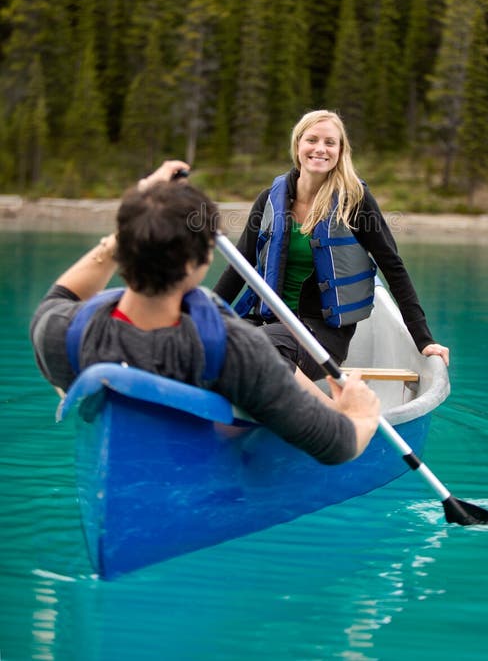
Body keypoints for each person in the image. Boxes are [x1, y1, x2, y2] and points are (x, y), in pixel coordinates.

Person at [30, 160, 381, 466]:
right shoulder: (238, 353)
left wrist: (136, 216)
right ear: (200, 263)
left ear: (123, 248)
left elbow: (61, 295)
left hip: (126, 470)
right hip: (190, 464)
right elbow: (338, 445)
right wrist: (359, 412)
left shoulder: (59, 332)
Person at [214, 110, 449, 380]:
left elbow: (393, 268)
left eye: (329, 142)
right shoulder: (269, 199)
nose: (320, 149)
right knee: (208, 343)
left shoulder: (355, 201)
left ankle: (321, 412)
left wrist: (423, 339)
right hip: (267, 323)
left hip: (319, 337)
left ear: (340, 150)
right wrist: (203, 314)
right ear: (298, 144)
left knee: (251, 346)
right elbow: (238, 268)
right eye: (312, 140)